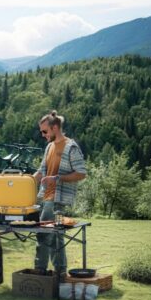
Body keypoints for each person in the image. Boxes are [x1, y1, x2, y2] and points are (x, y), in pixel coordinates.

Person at [33, 110, 86, 278]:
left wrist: (57, 179)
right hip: (46, 198)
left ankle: (40, 271)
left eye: (44, 131)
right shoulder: (49, 146)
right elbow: (41, 172)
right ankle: (60, 272)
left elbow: (81, 173)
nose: (42, 135)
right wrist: (23, 181)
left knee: (43, 233)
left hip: (58, 199)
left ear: (55, 128)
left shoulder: (71, 147)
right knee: (56, 236)